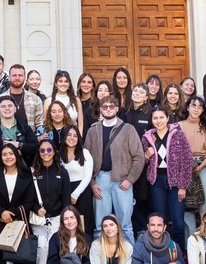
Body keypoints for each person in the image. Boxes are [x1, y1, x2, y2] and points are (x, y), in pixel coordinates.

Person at [83, 97, 144, 240]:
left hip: (122, 181)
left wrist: (130, 180)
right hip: (100, 180)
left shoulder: (128, 129)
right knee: (100, 225)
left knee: (125, 225)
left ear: (117, 109)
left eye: (112, 106)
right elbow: (86, 159)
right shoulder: (93, 130)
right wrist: (92, 183)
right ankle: (101, 260)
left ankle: (128, 261)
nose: (108, 109)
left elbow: (139, 157)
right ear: (100, 109)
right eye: (105, 107)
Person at [142, 108, 191, 249]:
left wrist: (183, 186)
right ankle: (162, 253)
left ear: (168, 118)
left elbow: (187, 160)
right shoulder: (147, 137)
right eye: (155, 118)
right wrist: (147, 156)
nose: (159, 121)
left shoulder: (177, 134)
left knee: (178, 223)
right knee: (160, 222)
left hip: (175, 183)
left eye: (161, 117)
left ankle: (179, 254)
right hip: (157, 182)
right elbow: (142, 162)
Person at [0, 144, 36, 264]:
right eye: (4, 154)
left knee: (20, 263)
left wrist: (10, 213)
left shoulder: (26, 175)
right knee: (1, 263)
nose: (8, 157)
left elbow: (29, 202)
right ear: (0, 157)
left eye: (11, 154)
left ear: (16, 155)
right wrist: (1, 213)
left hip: (19, 223)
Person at [178, 97, 206, 234]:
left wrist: (201, 166)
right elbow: (176, 149)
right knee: (186, 205)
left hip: (202, 166)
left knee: (204, 202)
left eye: (200, 107)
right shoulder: (179, 126)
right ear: (188, 107)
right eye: (193, 106)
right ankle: (190, 240)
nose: (196, 109)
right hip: (183, 166)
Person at [58, 125, 95, 227]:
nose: (72, 138)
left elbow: (88, 176)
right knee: (68, 222)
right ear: (64, 136)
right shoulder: (59, 155)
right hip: (65, 191)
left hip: (82, 192)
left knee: (83, 223)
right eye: (69, 135)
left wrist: (75, 194)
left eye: (75, 136)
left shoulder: (85, 153)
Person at [0, 64, 44, 130]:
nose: (17, 78)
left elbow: (40, 123)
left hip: (29, 139)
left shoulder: (35, 99)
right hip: (5, 139)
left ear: (25, 77)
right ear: (9, 77)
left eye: (20, 75)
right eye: (14, 75)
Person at [0, 97, 37, 164]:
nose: (7, 108)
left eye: (10, 105)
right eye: (3, 106)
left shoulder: (25, 128)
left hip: (24, 169)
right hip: (0, 170)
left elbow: (35, 147)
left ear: (15, 109)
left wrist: (20, 145)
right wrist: (6, 153)